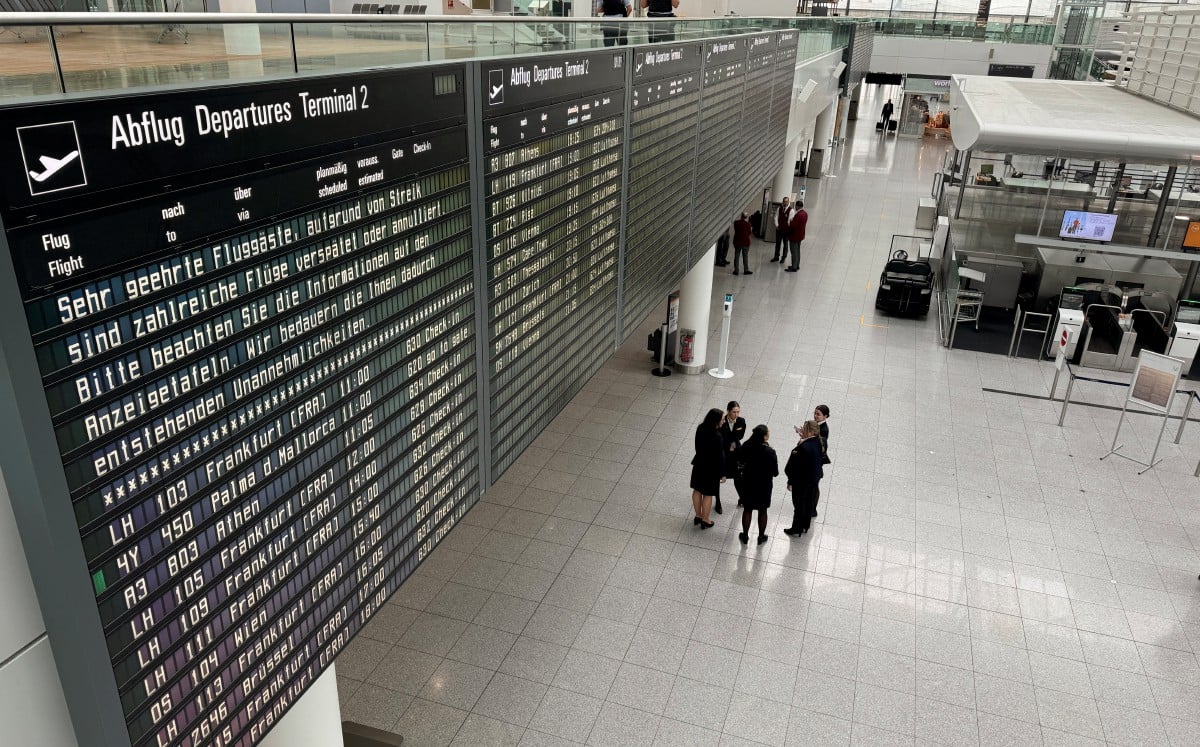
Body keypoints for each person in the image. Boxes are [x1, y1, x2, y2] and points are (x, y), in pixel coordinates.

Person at [733, 424, 778, 545]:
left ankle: (745, 535)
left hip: (748, 483)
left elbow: (740, 461)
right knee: (762, 511)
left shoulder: (747, 446)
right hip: (764, 485)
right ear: (764, 436)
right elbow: (775, 472)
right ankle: (761, 536)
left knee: (747, 509)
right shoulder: (770, 452)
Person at [783, 420, 823, 536]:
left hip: (801, 481)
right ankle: (806, 525)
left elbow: (794, 466)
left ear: (810, 432)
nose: (802, 431)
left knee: (799, 505)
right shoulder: (818, 442)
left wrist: (790, 481)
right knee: (809, 502)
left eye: (804, 429)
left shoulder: (803, 447)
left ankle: (796, 528)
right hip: (813, 479)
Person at [690, 408, 725, 529]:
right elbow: (719, 457)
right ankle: (705, 519)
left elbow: (697, 446)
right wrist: (722, 473)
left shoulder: (700, 428)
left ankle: (698, 516)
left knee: (697, 490)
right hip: (711, 469)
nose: (724, 421)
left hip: (699, 465)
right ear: (716, 420)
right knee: (708, 494)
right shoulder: (717, 436)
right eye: (722, 419)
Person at [718, 401, 746, 513]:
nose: (736, 414)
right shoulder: (721, 422)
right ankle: (718, 503)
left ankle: (742, 498)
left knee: (738, 477)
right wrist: (728, 444)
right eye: (734, 412)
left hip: (735, 453)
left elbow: (741, 435)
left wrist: (734, 442)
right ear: (728, 411)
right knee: (719, 478)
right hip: (723, 453)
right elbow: (718, 437)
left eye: (738, 412)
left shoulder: (741, 421)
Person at [784, 200, 807, 273]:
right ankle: (797, 265)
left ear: (797, 206)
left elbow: (793, 226)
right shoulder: (805, 214)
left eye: (796, 206)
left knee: (794, 252)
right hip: (800, 235)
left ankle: (794, 267)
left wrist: (791, 221)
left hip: (794, 236)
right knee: (797, 251)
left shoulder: (798, 215)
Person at [771, 197, 792, 263]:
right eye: (784, 201)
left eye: (786, 202)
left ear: (788, 202)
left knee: (785, 244)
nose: (785, 203)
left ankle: (783, 257)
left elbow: (790, 220)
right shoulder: (779, 208)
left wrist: (787, 227)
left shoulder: (791, 210)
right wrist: (777, 225)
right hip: (779, 229)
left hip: (786, 231)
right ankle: (776, 256)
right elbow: (776, 217)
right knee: (777, 243)